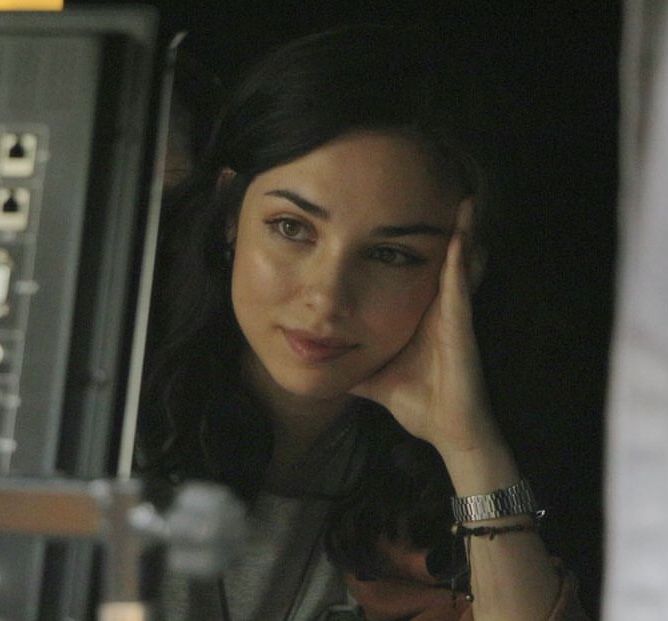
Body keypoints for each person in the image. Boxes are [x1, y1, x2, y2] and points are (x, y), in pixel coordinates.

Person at [138, 25, 588, 621]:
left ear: (464, 272)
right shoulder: (98, 411)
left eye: (390, 254)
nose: (325, 300)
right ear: (229, 216)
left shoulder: (500, 455)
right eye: (292, 228)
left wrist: (467, 443)